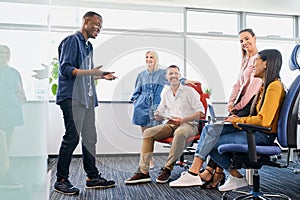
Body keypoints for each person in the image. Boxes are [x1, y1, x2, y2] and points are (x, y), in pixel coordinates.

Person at [169, 49, 285, 192]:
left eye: (256, 61)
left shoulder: (274, 87)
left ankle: (194, 173)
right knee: (209, 130)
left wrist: (238, 120)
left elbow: (265, 121)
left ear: (266, 63)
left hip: (262, 135)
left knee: (211, 142)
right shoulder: (264, 86)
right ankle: (230, 176)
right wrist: (235, 118)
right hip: (254, 130)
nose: (253, 65)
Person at [54, 11, 117, 195]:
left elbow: (86, 73)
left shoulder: (88, 47)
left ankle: (92, 177)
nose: (99, 29)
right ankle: (61, 180)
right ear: (86, 22)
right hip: (72, 98)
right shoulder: (72, 41)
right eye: (96, 24)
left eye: (101, 27)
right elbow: (66, 69)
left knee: (90, 138)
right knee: (72, 137)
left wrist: (100, 75)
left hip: (87, 98)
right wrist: (91, 72)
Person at [199, 28, 263, 189]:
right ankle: (216, 172)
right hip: (239, 106)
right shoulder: (245, 60)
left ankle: (210, 171)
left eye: (247, 39)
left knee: (215, 135)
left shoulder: (259, 60)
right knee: (215, 132)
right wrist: (230, 103)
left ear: (255, 38)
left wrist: (238, 107)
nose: (244, 43)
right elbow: (238, 85)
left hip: (247, 107)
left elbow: (252, 89)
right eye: (241, 41)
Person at [125, 65, 204, 184]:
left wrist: (182, 120)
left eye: (176, 73)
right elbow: (160, 110)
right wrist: (158, 115)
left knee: (180, 132)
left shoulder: (189, 91)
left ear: (180, 76)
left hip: (188, 124)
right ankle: (143, 172)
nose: (173, 76)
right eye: (170, 74)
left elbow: (201, 112)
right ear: (166, 77)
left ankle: (167, 169)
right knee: (148, 132)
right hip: (171, 124)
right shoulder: (166, 93)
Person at [0, 45, 26, 189]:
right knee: (1, 139)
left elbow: (20, 91)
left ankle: (3, 173)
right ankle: (4, 175)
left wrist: (18, 100)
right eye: (1, 53)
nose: (4, 55)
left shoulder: (14, 72)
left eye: (6, 53)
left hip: (11, 110)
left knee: (6, 146)